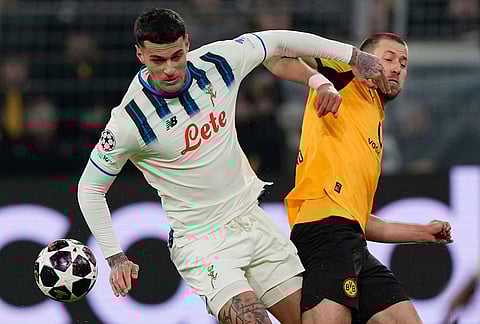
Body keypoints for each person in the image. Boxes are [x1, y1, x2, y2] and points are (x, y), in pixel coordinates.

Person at [77, 8, 391, 324]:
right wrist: (115, 257)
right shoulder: (130, 122)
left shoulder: (218, 63)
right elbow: (90, 189)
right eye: (158, 60)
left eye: (176, 55)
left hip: (251, 220)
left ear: (187, 43)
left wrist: (351, 56)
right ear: (140, 55)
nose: (170, 68)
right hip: (201, 240)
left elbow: (279, 41)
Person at [265, 33, 453, 324]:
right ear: (364, 60)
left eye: (403, 64)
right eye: (388, 59)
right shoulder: (346, 76)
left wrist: (422, 233)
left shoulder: (373, 119)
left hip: (350, 240)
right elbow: (275, 57)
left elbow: (359, 220)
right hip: (324, 233)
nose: (396, 69)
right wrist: (322, 79)